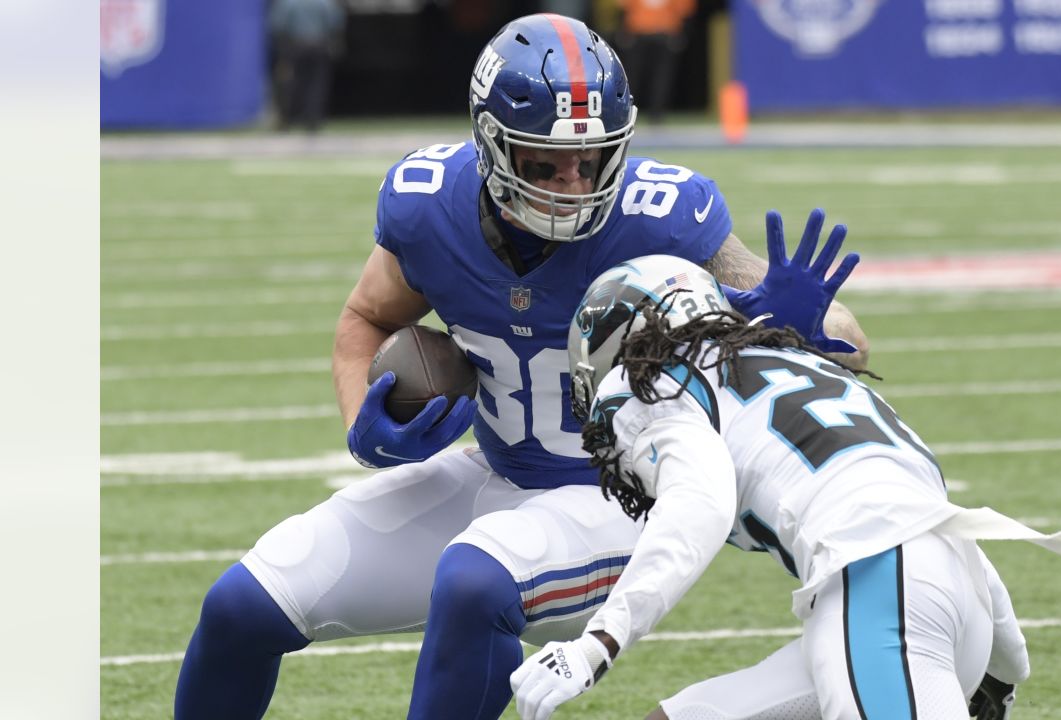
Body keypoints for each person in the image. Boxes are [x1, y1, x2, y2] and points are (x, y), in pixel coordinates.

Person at [174, 13, 868, 720]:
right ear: (492, 145)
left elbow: (848, 340)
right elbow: (367, 317)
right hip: (497, 471)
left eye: (590, 160)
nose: (571, 182)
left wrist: (803, 326)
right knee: (241, 606)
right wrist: (365, 423)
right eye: (545, 161)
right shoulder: (429, 207)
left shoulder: (662, 216)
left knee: (476, 583)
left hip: (620, 499)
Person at [509, 249, 1061, 719]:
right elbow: (936, 532)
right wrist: (1002, 673)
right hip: (952, 600)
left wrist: (598, 643)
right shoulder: (798, 362)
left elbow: (697, 507)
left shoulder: (650, 387)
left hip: (882, 604)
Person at [269, 0, 345, 133]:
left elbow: (278, 25)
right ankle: (313, 121)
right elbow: (335, 22)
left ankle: (288, 119)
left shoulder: (288, 3)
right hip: (319, 45)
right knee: (316, 85)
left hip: (295, 46)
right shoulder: (324, 3)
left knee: (291, 83)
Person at [615, 0, 696, 124]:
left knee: (656, 77)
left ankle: (644, 113)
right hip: (648, 30)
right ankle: (643, 113)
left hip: (653, 30)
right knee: (638, 76)